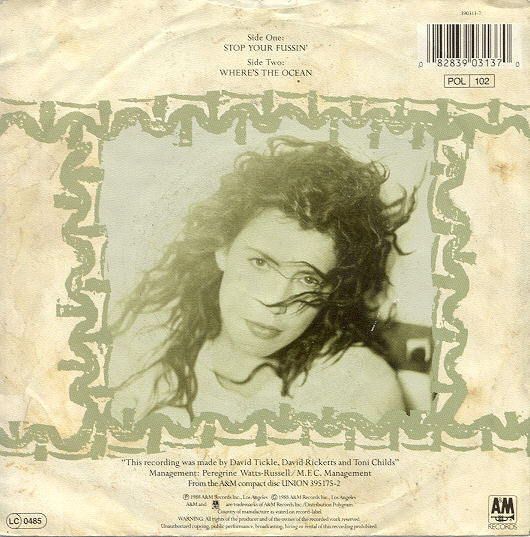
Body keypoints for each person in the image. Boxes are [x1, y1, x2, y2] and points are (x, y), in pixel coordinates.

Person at [110, 136, 417, 424]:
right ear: (223, 250)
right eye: (260, 263)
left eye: (308, 278)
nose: (275, 299)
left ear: (333, 288)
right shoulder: (141, 352)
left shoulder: (359, 386)